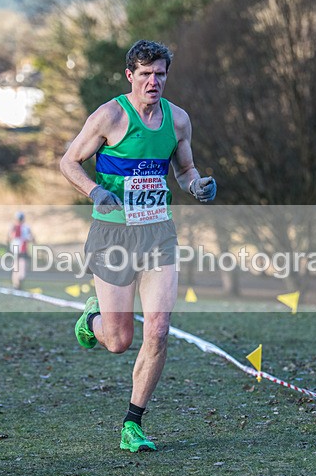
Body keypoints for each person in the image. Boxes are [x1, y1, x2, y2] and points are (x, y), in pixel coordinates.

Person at [59, 40, 217, 452]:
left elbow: (185, 170)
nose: (153, 81)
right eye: (145, 74)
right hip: (113, 234)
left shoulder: (177, 120)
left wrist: (197, 185)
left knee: (159, 330)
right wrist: (95, 191)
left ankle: (134, 423)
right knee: (118, 340)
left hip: (158, 233)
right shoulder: (110, 115)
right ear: (130, 76)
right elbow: (68, 161)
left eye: (160, 74)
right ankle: (92, 320)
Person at [8, 212, 33, 290]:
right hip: (20, 250)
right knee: (19, 268)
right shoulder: (24, 227)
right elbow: (31, 238)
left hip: (19, 249)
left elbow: (10, 237)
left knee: (17, 268)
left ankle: (16, 284)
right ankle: (17, 283)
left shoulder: (16, 227)